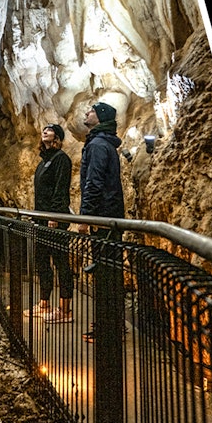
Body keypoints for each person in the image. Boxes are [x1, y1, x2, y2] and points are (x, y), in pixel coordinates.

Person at [79, 102, 125, 346]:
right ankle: (112, 324)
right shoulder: (104, 143)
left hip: (103, 218)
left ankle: (108, 328)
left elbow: (94, 182)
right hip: (110, 216)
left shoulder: (97, 145)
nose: (87, 113)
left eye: (92, 111)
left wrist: (86, 216)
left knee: (105, 275)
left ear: (101, 117)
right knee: (111, 273)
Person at [28, 123, 75, 323]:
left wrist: (54, 215)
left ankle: (65, 309)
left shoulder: (61, 159)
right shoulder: (43, 162)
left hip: (54, 220)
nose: (45, 130)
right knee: (42, 261)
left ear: (57, 136)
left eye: (50, 129)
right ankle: (44, 304)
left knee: (60, 262)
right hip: (41, 219)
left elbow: (60, 189)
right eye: (44, 129)